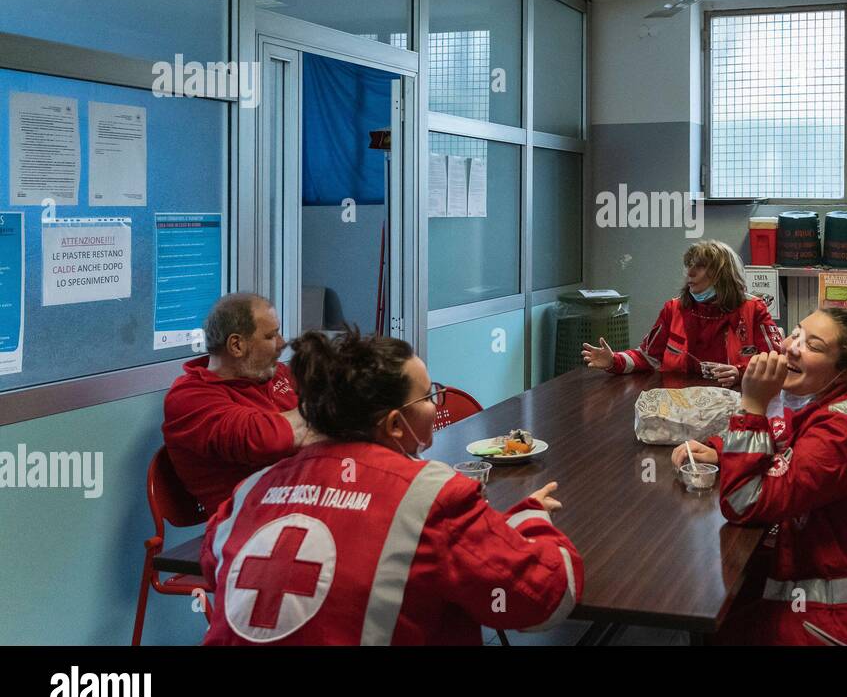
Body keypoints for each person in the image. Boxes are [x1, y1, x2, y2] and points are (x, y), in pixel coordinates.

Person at [200, 327, 582, 645]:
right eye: (431, 396)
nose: (437, 405)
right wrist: (532, 521)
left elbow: (216, 567)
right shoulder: (432, 497)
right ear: (397, 425)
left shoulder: (249, 491)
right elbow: (545, 598)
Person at [673, 307, 847, 645]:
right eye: (796, 333)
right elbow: (785, 437)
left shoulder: (841, 429)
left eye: (814, 346)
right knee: (731, 613)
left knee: (727, 625)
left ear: (844, 373)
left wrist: (751, 406)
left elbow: (743, 501)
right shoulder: (827, 404)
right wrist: (722, 448)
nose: (792, 346)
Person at [163, 293, 306, 514]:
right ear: (237, 345)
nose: (282, 343)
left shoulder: (273, 373)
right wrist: (320, 414)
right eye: (271, 336)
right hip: (247, 523)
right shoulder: (188, 398)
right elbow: (264, 439)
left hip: (301, 500)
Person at [581, 239, 782, 387]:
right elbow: (648, 357)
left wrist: (740, 373)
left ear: (723, 274)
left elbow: (778, 361)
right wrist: (613, 361)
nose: (690, 273)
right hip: (682, 402)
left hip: (736, 401)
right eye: (689, 266)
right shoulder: (674, 309)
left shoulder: (753, 309)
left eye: (700, 266)